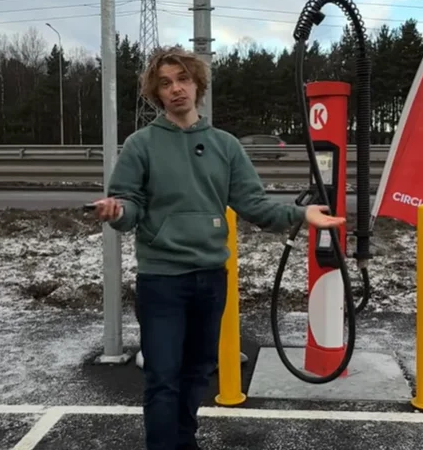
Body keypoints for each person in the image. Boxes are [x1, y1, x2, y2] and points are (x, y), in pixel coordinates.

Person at [92, 46, 344, 450]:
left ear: (197, 85)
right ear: (157, 94)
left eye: (183, 79)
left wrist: (301, 214)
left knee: (197, 373)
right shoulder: (141, 144)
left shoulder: (225, 146)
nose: (176, 89)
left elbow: (254, 205)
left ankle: (185, 441)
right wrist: (117, 211)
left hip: (211, 279)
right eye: (166, 83)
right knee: (162, 377)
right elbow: (129, 205)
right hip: (162, 280)